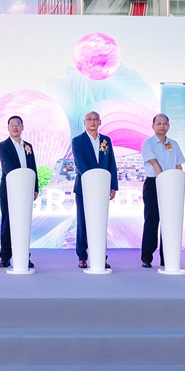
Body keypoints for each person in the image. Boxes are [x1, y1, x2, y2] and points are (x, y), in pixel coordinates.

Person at [71, 111, 118, 269]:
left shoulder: (106, 140)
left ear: (100, 122)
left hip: (102, 188)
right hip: (84, 188)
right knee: (83, 222)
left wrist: (113, 185)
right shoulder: (78, 141)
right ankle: (82, 257)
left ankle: (100, 257)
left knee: (100, 222)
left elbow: (111, 163)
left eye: (95, 119)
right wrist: (91, 180)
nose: (92, 122)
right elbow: (79, 163)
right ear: (84, 122)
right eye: (89, 119)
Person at [140, 114, 185, 268]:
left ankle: (167, 257)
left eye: (165, 123)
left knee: (169, 221)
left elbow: (179, 165)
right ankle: (147, 257)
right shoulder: (148, 143)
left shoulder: (174, 144)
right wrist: (163, 179)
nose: (162, 126)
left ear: (168, 126)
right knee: (152, 220)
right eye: (159, 123)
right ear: (153, 126)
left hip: (171, 184)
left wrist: (177, 183)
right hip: (154, 183)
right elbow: (154, 163)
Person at [0, 115, 38, 269]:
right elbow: (6, 165)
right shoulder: (3, 146)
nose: (15, 127)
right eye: (12, 124)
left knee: (24, 224)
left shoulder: (28, 146)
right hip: (9, 190)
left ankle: (24, 257)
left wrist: (35, 188)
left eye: (18, 124)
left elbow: (33, 167)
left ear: (22, 127)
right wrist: (18, 182)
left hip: (26, 191)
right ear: (8, 128)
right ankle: (5, 257)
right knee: (8, 224)